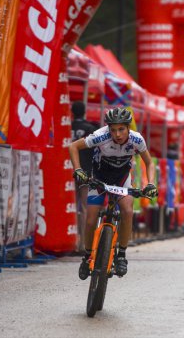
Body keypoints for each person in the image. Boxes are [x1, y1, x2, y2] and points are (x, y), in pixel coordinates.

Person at [69, 107, 158, 279]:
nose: (117, 134)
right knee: (91, 218)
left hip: (121, 179)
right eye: (113, 129)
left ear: (128, 128)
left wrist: (152, 183)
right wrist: (78, 170)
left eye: (121, 129)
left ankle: (121, 256)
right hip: (99, 179)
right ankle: (87, 257)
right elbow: (73, 146)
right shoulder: (100, 136)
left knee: (127, 211)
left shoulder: (136, 139)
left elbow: (149, 163)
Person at [70, 101, 98, 253]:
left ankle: (71, 242)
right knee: (85, 208)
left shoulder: (67, 127)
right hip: (86, 171)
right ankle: (84, 244)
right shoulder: (90, 129)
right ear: (84, 111)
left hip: (68, 171)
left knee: (71, 207)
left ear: (72, 112)